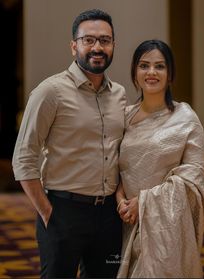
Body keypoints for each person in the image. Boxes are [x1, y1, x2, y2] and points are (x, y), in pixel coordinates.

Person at [12, 9, 126, 278]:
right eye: (89, 40)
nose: (97, 47)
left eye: (105, 40)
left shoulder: (120, 95)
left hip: (109, 216)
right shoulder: (49, 92)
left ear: (113, 45)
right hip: (63, 212)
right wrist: (47, 212)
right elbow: (23, 157)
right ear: (74, 45)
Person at [116, 39, 204, 278]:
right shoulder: (123, 117)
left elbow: (191, 179)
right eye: (144, 65)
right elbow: (113, 167)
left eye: (160, 66)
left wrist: (144, 202)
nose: (152, 72)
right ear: (135, 73)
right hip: (124, 220)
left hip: (167, 227)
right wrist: (120, 198)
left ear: (170, 75)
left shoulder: (185, 118)